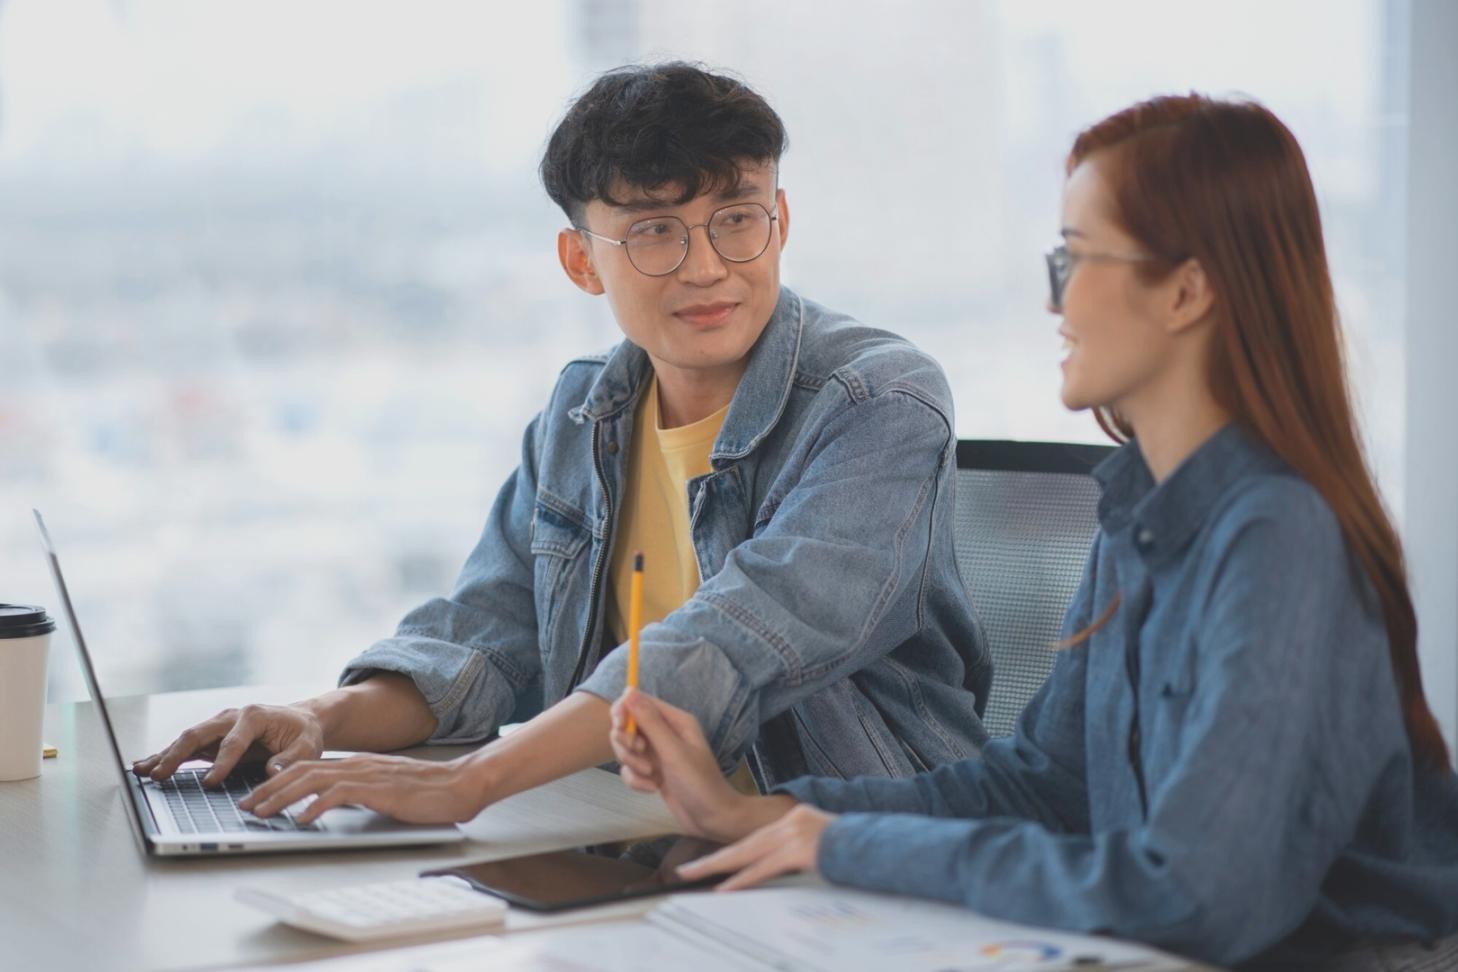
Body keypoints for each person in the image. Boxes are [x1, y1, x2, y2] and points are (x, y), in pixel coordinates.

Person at [609, 94, 1458, 971]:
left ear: (1186, 290)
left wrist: (839, 849)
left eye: (1078, 258)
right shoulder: (1144, 510)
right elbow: (1044, 787)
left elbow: (1195, 896)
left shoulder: (1280, 539)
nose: (1057, 299)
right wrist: (777, 815)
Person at [132, 62, 991, 823]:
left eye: (736, 218)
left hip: (845, 839)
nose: (706, 266)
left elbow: (735, 642)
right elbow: (486, 636)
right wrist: (321, 717)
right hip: (615, 832)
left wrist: (468, 783)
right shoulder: (587, 410)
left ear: (781, 221)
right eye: (655, 230)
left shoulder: (879, 401)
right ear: (582, 261)